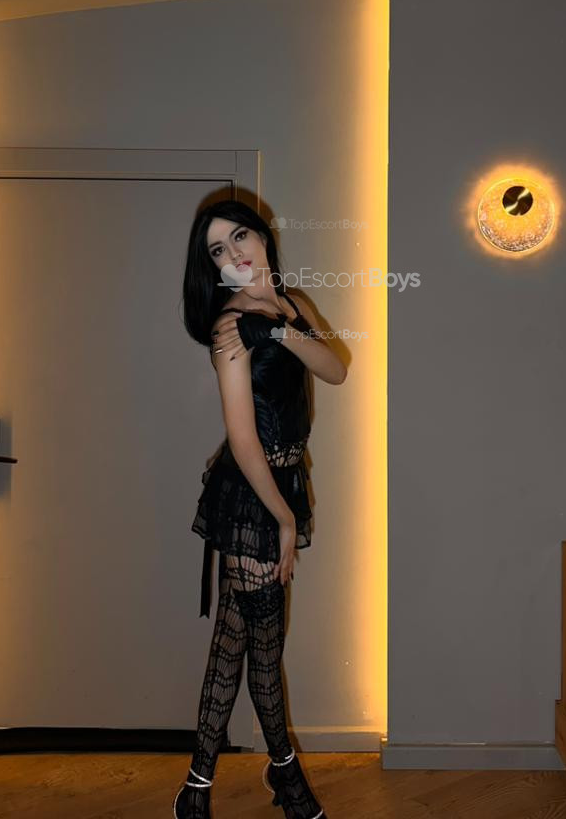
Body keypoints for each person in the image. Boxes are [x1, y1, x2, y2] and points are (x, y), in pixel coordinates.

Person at [175, 199, 347, 819]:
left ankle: (196, 788)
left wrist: (279, 326)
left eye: (240, 237)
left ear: (264, 238)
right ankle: (285, 775)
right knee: (263, 650)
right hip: (255, 496)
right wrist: (283, 519)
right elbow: (243, 439)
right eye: (218, 251)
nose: (234, 255)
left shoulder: (292, 306)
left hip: (281, 483)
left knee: (234, 640)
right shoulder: (228, 328)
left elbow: (335, 370)